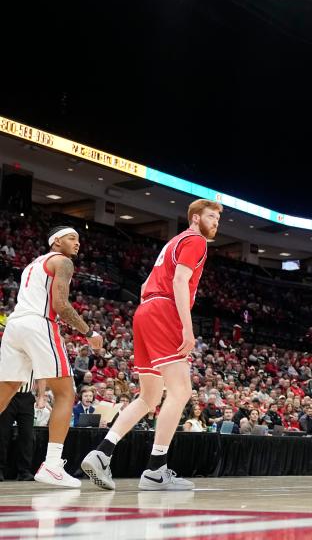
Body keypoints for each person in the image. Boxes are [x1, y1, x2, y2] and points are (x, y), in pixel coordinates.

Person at [81, 199, 221, 491]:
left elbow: (145, 286)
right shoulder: (196, 240)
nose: (216, 221)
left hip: (145, 311)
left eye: (218, 217)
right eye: (211, 216)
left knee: (149, 397)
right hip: (164, 310)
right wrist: (187, 326)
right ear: (195, 218)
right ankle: (156, 470)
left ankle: (102, 452)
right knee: (181, 391)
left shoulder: (172, 242)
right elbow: (181, 281)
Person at [0, 226, 102, 488]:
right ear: (56, 241)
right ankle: (52, 464)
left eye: (79, 239)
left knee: (6, 390)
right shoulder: (62, 261)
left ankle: (52, 465)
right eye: (72, 238)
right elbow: (60, 305)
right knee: (66, 392)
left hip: (14, 326)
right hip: (39, 324)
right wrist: (88, 332)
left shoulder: (32, 265)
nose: (77, 243)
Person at [0, 376, 38, 481]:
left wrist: (41, 396)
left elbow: (41, 376)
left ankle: (24, 471)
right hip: (7, 393)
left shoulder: (34, 360)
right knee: (2, 434)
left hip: (26, 397)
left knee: (27, 436)